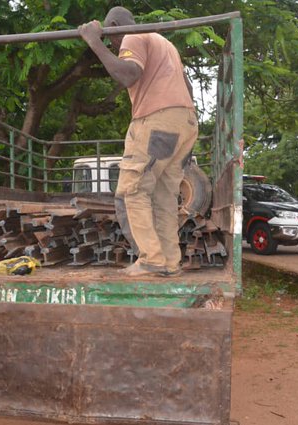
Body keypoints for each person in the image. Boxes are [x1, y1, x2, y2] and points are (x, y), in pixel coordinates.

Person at [79, 6, 199, 277]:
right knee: (164, 196)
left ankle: (151, 259)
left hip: (157, 121)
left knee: (131, 191)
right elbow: (188, 88)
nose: (115, 46)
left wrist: (94, 41)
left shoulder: (132, 36)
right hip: (185, 122)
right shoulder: (164, 44)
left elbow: (127, 74)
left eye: (111, 38)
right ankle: (169, 263)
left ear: (115, 26)